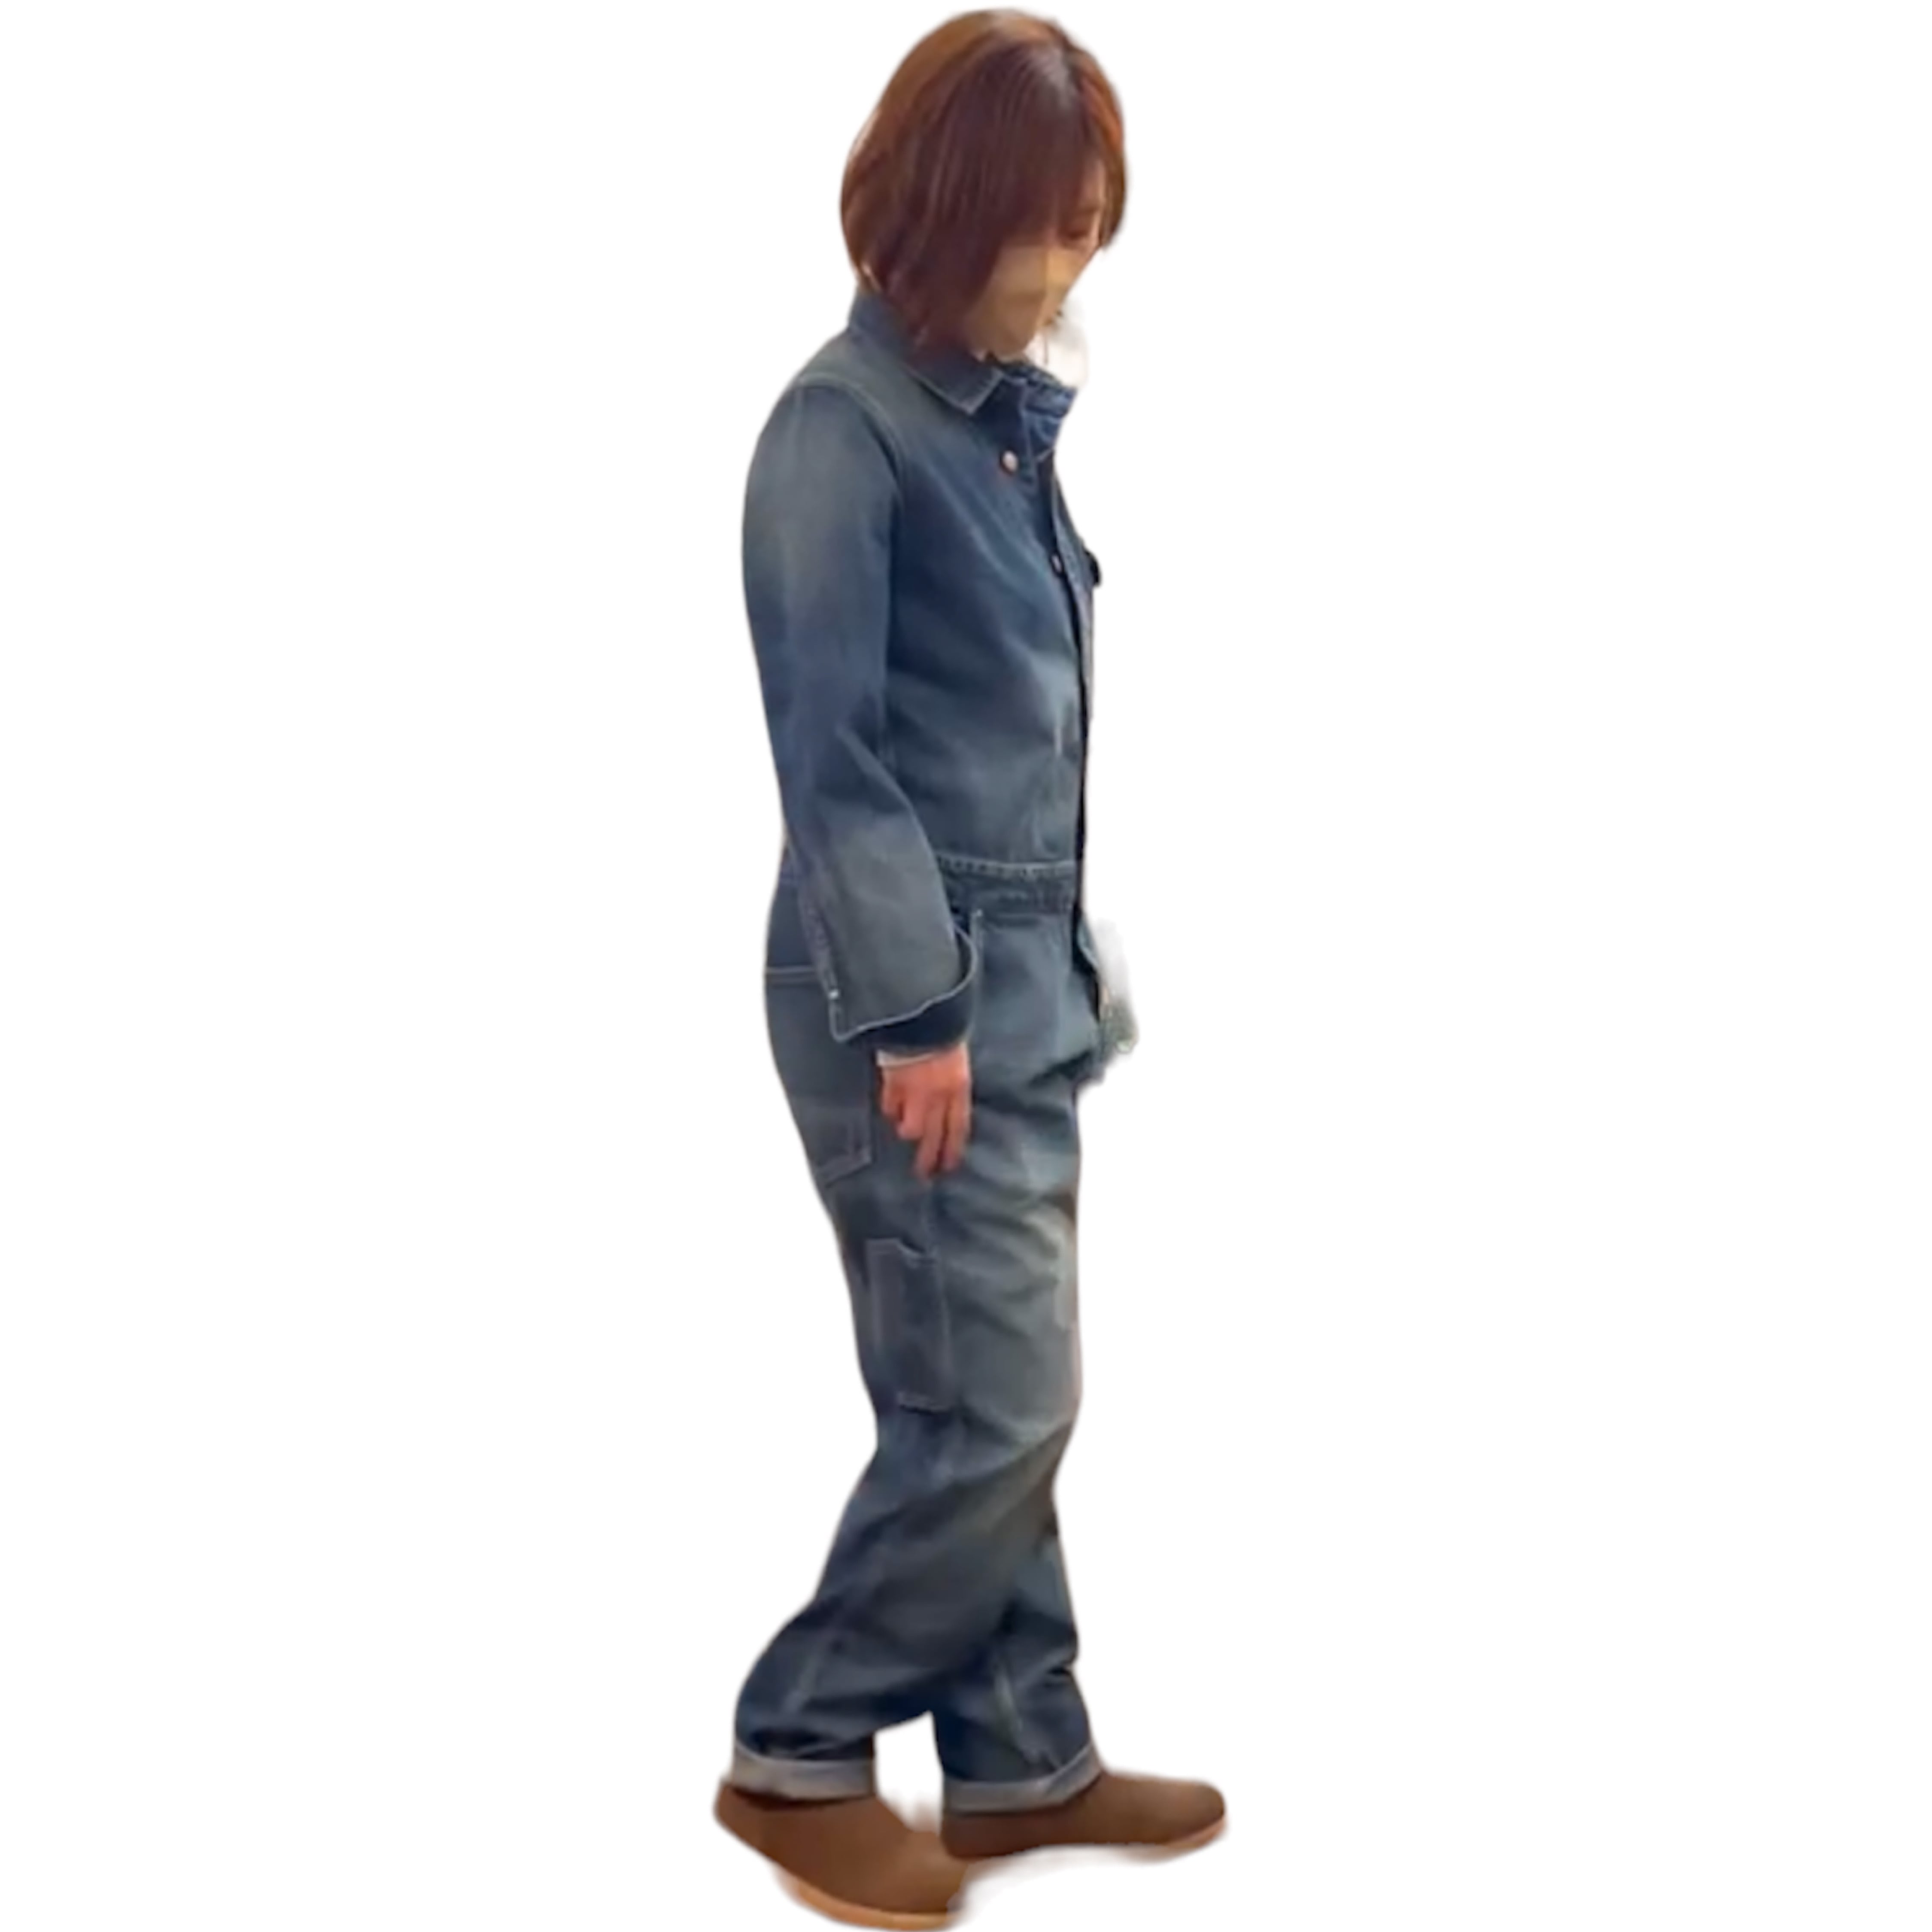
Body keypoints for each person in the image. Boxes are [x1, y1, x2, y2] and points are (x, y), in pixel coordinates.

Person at [714, 13, 1224, 1925]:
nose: (1071, 266)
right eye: (1047, 224)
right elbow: (833, 759)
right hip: (902, 1003)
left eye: (1094, 225)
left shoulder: (992, 431)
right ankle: (800, 1743)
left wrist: (1046, 981)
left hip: (1016, 987)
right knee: (988, 1409)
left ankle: (1016, 1753)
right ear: (944, 209)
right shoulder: (837, 438)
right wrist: (920, 1013)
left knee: (995, 1384)